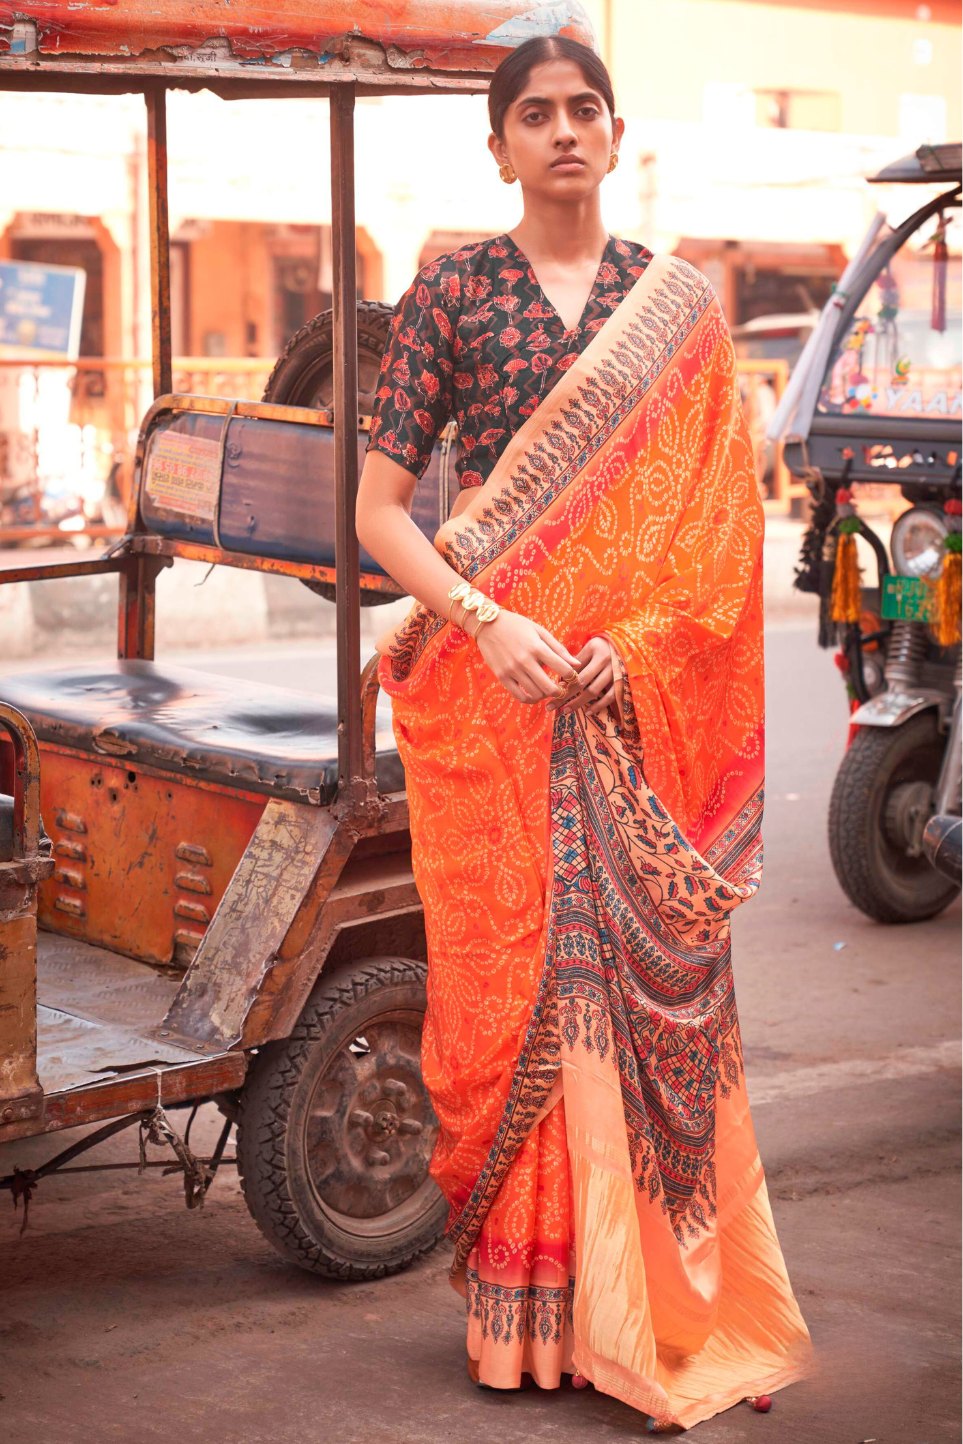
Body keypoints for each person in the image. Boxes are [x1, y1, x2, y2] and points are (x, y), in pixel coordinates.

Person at [355, 34, 812, 1434]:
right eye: (533, 115)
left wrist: (646, 650)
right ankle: (538, 1321)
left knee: (635, 996)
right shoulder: (450, 295)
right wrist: (484, 619)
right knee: (525, 993)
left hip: (635, 706)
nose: (561, 132)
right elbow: (378, 512)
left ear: (617, 137)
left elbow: (721, 537)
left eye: (583, 111)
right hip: (502, 707)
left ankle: (654, 1309)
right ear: (497, 147)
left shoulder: (673, 310)